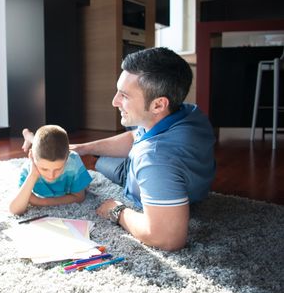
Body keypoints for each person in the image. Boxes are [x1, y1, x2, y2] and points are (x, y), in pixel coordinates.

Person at [70, 47, 216, 251]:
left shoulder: (155, 158)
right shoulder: (189, 111)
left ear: (158, 105)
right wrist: (82, 147)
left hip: (140, 173)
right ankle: (89, 151)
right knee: (96, 154)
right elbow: (135, 135)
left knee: (100, 162)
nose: (114, 102)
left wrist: (117, 210)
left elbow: (168, 238)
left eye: (124, 96)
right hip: (166, 173)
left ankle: (97, 158)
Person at [9, 125, 92, 215]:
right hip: (35, 156)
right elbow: (15, 210)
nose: (51, 176)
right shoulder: (29, 168)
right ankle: (29, 136)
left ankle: (30, 138)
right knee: (39, 146)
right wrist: (33, 175)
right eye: (44, 169)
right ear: (32, 157)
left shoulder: (73, 161)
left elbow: (79, 197)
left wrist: (41, 201)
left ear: (67, 157)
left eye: (58, 169)